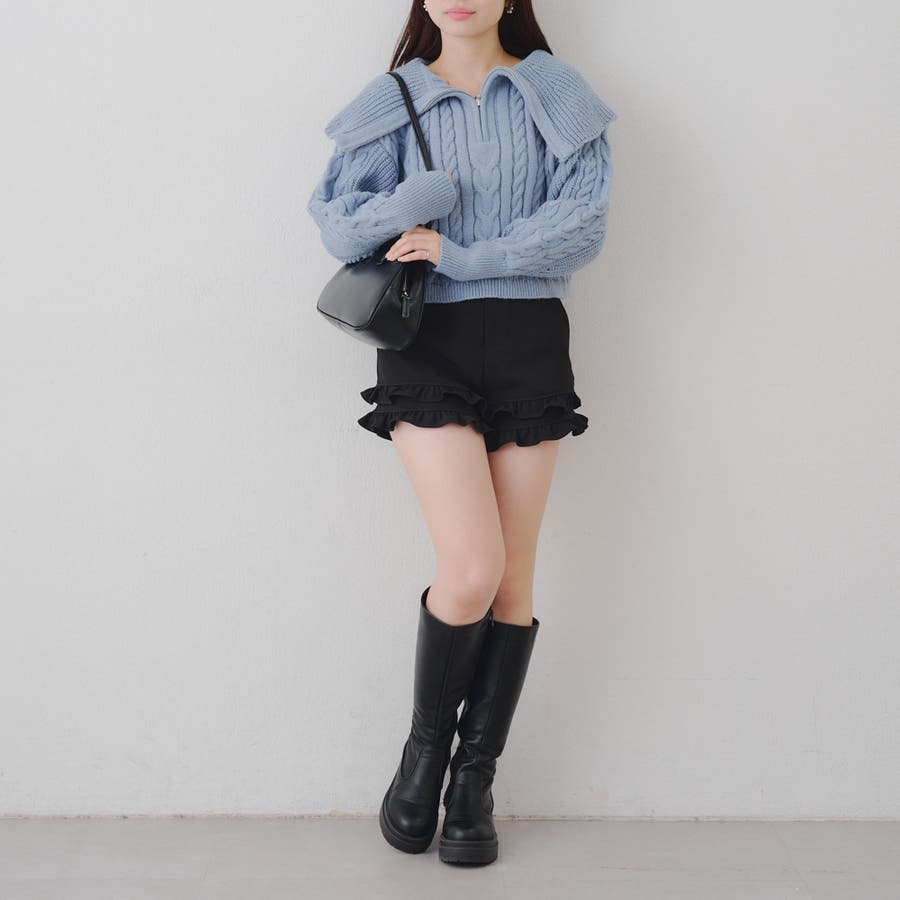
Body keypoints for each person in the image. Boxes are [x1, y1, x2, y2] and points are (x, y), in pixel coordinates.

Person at [307, 0, 616, 867]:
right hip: (426, 343)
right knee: (472, 570)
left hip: (527, 339)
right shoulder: (394, 97)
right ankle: (423, 758)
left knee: (511, 583)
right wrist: (412, 202)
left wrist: (464, 255)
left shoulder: (556, 92)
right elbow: (336, 221)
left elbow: (583, 223)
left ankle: (474, 782)